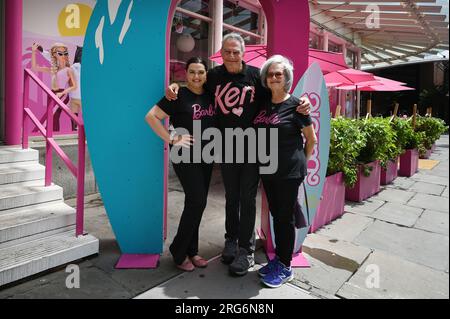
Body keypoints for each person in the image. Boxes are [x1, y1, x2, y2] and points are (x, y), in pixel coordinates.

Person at [166, 33, 311, 277]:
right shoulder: (213, 76)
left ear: (243, 53)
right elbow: (194, 86)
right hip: (226, 147)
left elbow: (280, 95)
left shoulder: (256, 76)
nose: (232, 56)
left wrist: (302, 101)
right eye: (227, 52)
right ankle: (231, 241)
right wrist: (174, 87)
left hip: (253, 147)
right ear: (221, 54)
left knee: (247, 198)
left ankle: (246, 249)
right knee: (231, 197)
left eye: (236, 52)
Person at [145, 57, 216, 272]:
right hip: (185, 155)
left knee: (196, 204)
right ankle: (178, 251)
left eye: (201, 72)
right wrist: (172, 139)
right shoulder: (177, 95)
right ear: (186, 74)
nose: (196, 76)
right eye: (192, 72)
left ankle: (192, 250)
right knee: (198, 200)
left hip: (207, 156)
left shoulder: (211, 95)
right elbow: (151, 117)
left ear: (206, 74)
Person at [255, 55, 317, 288]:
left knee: (284, 219)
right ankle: (279, 261)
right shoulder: (264, 103)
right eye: (270, 74)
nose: (273, 77)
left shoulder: (296, 105)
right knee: (277, 216)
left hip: (289, 172)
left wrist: (300, 163)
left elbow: (311, 139)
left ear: (286, 77)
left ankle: (285, 267)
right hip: (269, 171)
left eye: (278, 74)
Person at [32, 42, 77, 132]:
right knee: (51, 115)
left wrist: (62, 93)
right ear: (54, 55)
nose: (63, 56)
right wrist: (33, 52)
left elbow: (74, 86)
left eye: (65, 53)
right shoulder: (54, 69)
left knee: (53, 114)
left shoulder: (68, 70)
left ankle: (49, 133)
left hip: (62, 94)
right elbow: (35, 68)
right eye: (60, 54)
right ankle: (50, 133)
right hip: (52, 93)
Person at [70, 46, 83, 131]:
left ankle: (74, 129)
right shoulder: (88, 66)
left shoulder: (72, 66)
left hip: (74, 95)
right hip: (83, 95)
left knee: (74, 113)